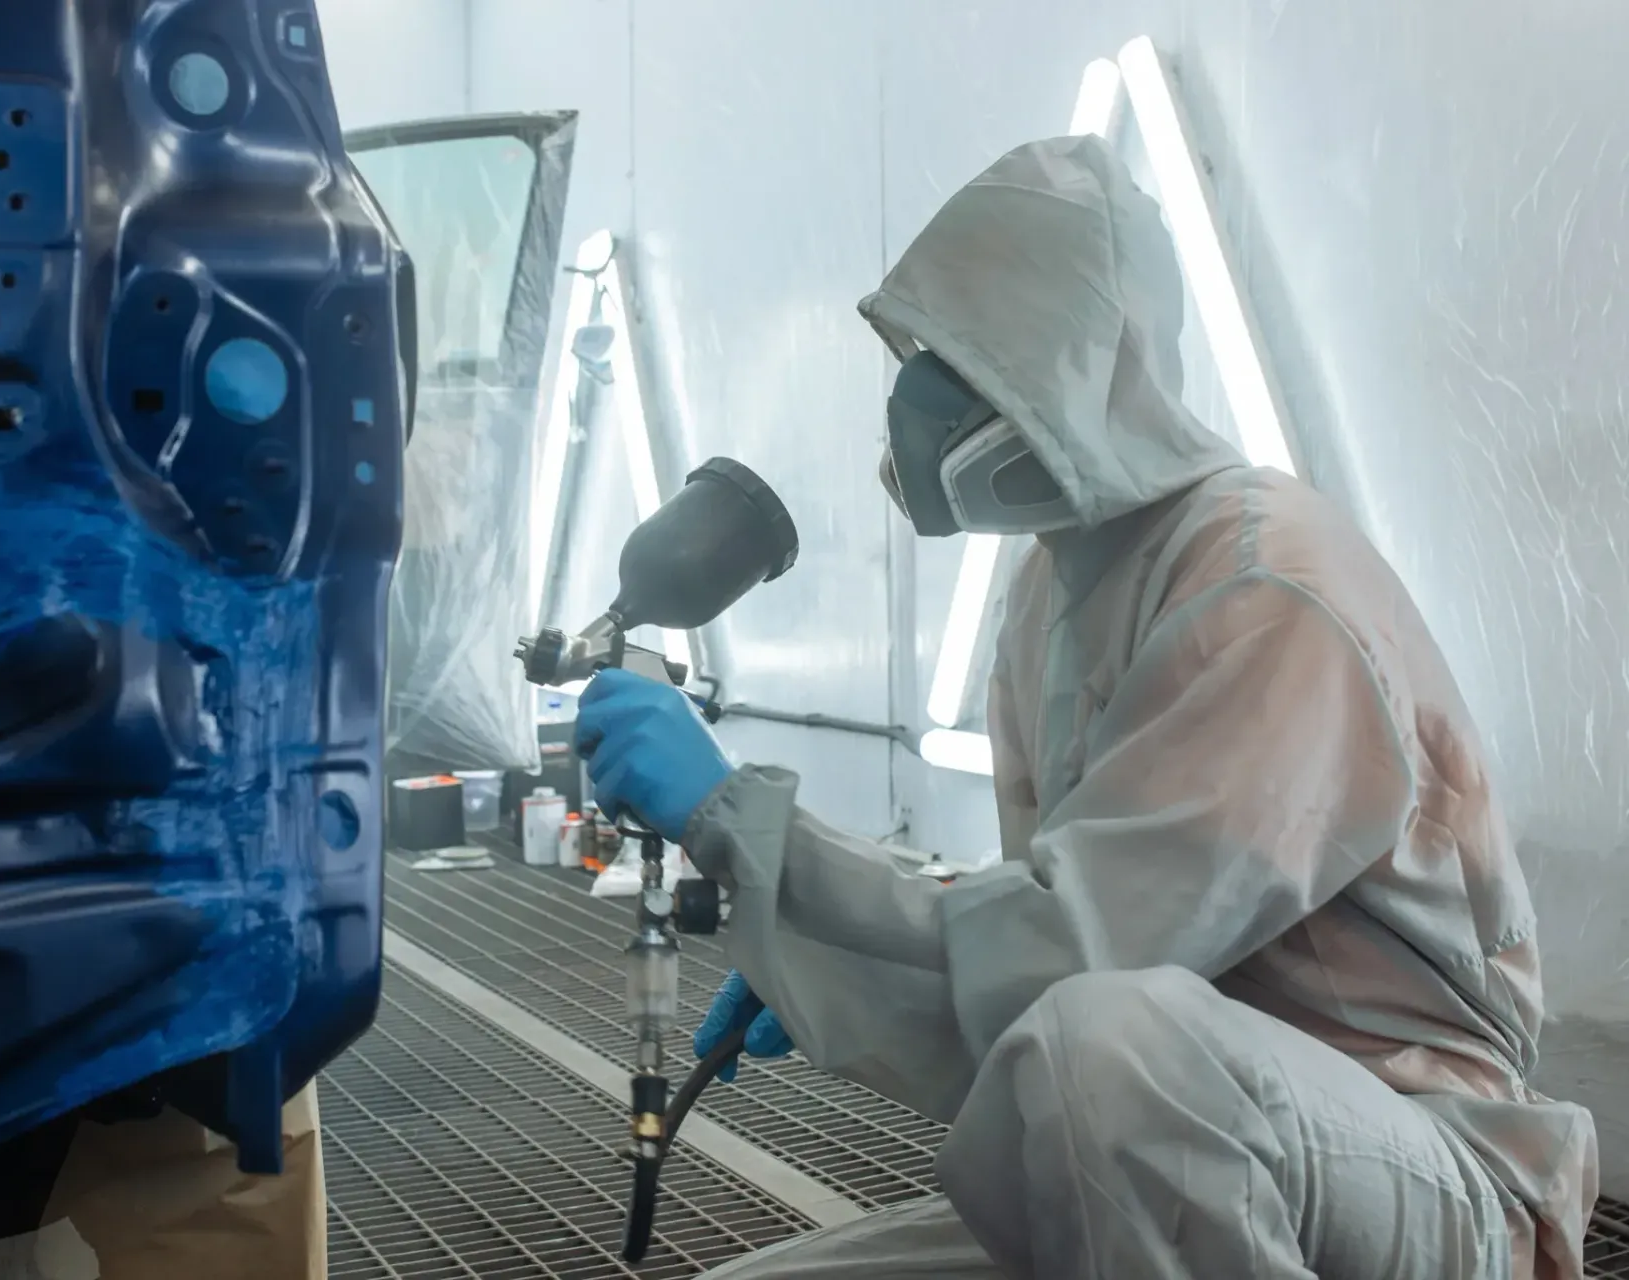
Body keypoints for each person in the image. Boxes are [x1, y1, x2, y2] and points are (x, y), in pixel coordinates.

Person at [573, 135, 1598, 1279]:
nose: (916, 405)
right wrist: (822, 955)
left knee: (1107, 1047)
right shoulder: (1049, 591)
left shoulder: (1261, 583)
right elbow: (1048, 932)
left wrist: (742, 824)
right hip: (1182, 1150)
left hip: (1414, 1160)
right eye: (922, 355)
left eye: (963, 363)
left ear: (1068, 371)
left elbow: (1077, 959)